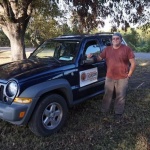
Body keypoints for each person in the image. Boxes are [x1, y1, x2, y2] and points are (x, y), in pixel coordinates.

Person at [87, 32, 136, 122]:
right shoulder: (107, 49)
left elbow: (133, 63)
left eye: (117, 38)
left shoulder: (127, 49)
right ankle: (104, 110)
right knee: (107, 94)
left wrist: (129, 75)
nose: (115, 40)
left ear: (121, 40)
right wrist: (92, 56)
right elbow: (99, 58)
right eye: (113, 39)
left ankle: (118, 113)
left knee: (120, 96)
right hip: (109, 77)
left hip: (122, 77)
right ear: (111, 40)